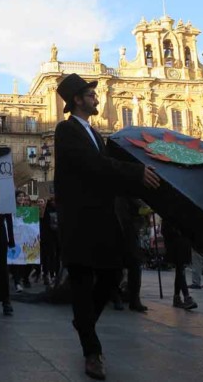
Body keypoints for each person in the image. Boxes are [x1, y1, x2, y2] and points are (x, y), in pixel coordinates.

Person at [54, 73, 160, 380]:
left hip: (101, 219)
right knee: (82, 281)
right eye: (91, 94)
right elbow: (93, 165)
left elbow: (106, 171)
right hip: (79, 220)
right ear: (77, 99)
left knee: (113, 274)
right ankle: (92, 352)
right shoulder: (66, 130)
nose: (97, 98)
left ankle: (83, 322)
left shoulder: (94, 133)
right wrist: (135, 172)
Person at [162, 221, 198, 310]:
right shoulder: (169, 218)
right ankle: (186, 297)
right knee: (180, 270)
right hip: (176, 245)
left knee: (180, 270)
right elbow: (165, 231)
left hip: (183, 244)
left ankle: (177, 297)